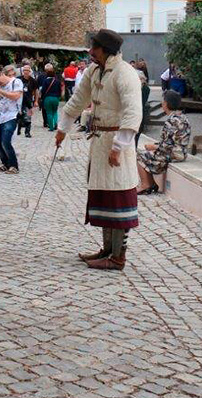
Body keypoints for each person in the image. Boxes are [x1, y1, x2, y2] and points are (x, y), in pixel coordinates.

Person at [56, 29, 142, 271]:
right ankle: (107, 250)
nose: (90, 51)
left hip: (117, 145)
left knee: (119, 197)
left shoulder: (125, 74)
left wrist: (118, 146)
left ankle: (118, 257)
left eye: (94, 47)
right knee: (105, 195)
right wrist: (63, 128)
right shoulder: (94, 71)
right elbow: (78, 100)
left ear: (104, 49)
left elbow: (133, 112)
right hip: (99, 141)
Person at [136, 90, 191, 195]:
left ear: (166, 104)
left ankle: (145, 185)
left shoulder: (172, 121)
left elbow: (167, 145)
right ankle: (151, 184)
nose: (162, 103)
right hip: (181, 153)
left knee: (139, 154)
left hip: (173, 154)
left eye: (163, 101)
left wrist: (153, 147)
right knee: (147, 153)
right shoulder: (183, 118)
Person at [0, 64, 23, 173]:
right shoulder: (0, 87)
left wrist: (1, 91)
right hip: (0, 117)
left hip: (12, 116)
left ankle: (14, 166)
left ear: (2, 74)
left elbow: (16, 96)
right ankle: (5, 164)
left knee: (6, 142)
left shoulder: (16, 82)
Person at [37, 65, 64, 131]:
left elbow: (43, 90)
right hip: (55, 98)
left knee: (49, 112)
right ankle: (55, 123)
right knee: (55, 112)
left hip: (47, 98)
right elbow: (60, 90)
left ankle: (51, 127)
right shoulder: (57, 81)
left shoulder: (45, 81)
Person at [17, 64, 38, 138]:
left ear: (30, 71)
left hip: (28, 101)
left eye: (27, 70)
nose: (25, 72)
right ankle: (19, 128)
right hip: (19, 100)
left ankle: (27, 132)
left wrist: (36, 101)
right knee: (20, 116)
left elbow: (36, 91)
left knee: (28, 117)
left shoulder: (33, 81)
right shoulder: (18, 79)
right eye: (24, 70)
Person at [136, 70, 151, 150]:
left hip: (139, 112)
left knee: (137, 132)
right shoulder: (145, 88)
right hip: (140, 112)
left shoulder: (144, 89)